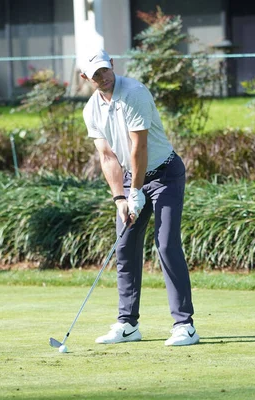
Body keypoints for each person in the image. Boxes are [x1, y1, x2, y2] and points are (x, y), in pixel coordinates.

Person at [80, 49, 199, 346]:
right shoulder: (91, 110)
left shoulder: (134, 92)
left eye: (105, 69)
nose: (103, 76)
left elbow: (139, 147)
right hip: (133, 179)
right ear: (85, 77)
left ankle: (185, 325)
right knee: (125, 246)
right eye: (95, 74)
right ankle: (127, 324)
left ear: (112, 66)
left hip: (165, 174)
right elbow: (107, 157)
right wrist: (121, 197)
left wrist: (136, 192)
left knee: (166, 244)